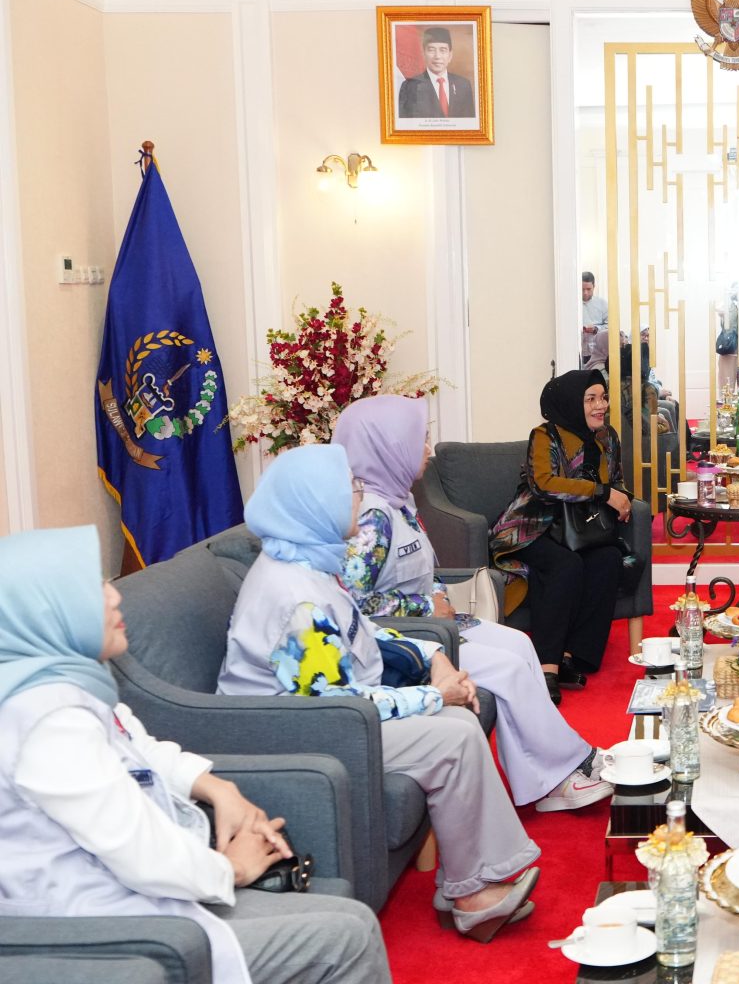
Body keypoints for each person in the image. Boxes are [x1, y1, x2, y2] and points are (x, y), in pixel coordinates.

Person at [0, 525, 394, 984]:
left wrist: (214, 786)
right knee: (350, 935)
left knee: (350, 920)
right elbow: (142, 856)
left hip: (133, 897)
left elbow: (138, 747)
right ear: (48, 613)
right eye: (94, 589)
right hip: (109, 930)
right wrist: (234, 868)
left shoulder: (58, 688)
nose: (114, 598)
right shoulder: (50, 723)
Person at [217, 445, 541, 942]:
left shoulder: (309, 559)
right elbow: (336, 704)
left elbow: (363, 629)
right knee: (453, 734)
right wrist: (435, 696)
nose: (359, 495)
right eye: (348, 487)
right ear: (316, 501)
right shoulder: (295, 595)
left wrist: (431, 655)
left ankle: (471, 884)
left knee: (456, 725)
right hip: (296, 732)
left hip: (332, 715)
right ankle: (472, 893)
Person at [334, 395, 613, 811]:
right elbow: (352, 603)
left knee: (521, 645)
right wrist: (425, 608)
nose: (426, 449)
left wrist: (435, 594)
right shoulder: (369, 516)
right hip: (403, 637)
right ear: (389, 447)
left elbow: (419, 571)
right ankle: (562, 774)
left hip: (437, 623)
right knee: (508, 668)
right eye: (418, 440)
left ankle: (553, 770)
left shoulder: (397, 501)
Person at [489, 369, 631, 691]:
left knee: (608, 559)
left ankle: (571, 656)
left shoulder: (608, 437)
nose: (600, 405)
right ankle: (547, 666)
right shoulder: (545, 436)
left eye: (603, 397)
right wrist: (601, 492)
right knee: (565, 565)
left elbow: (617, 481)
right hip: (532, 527)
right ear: (571, 402)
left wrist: (623, 499)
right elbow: (544, 484)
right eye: (590, 399)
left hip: (581, 529)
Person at [397, 26, 475, 119]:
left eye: (443, 50)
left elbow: (470, 121)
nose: (437, 56)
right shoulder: (410, 87)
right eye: (431, 50)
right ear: (423, 54)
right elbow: (404, 124)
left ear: (450, 55)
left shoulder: (463, 85)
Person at [580, 271, 608, 369]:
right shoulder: (573, 304)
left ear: (594, 287)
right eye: (582, 289)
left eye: (588, 289)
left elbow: (610, 326)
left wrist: (596, 329)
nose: (585, 292)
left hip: (597, 353)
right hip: (578, 349)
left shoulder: (602, 304)